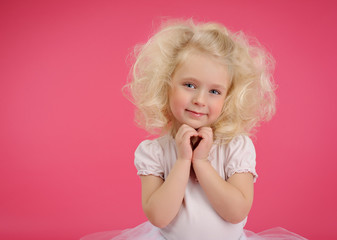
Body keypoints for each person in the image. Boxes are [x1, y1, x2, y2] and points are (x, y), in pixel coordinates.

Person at [81, 19, 307, 240]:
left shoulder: (236, 146)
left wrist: (201, 162)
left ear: (229, 97)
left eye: (215, 91)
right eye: (190, 85)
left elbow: (236, 212)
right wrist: (182, 161)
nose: (200, 99)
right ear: (165, 85)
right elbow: (159, 217)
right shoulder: (153, 152)